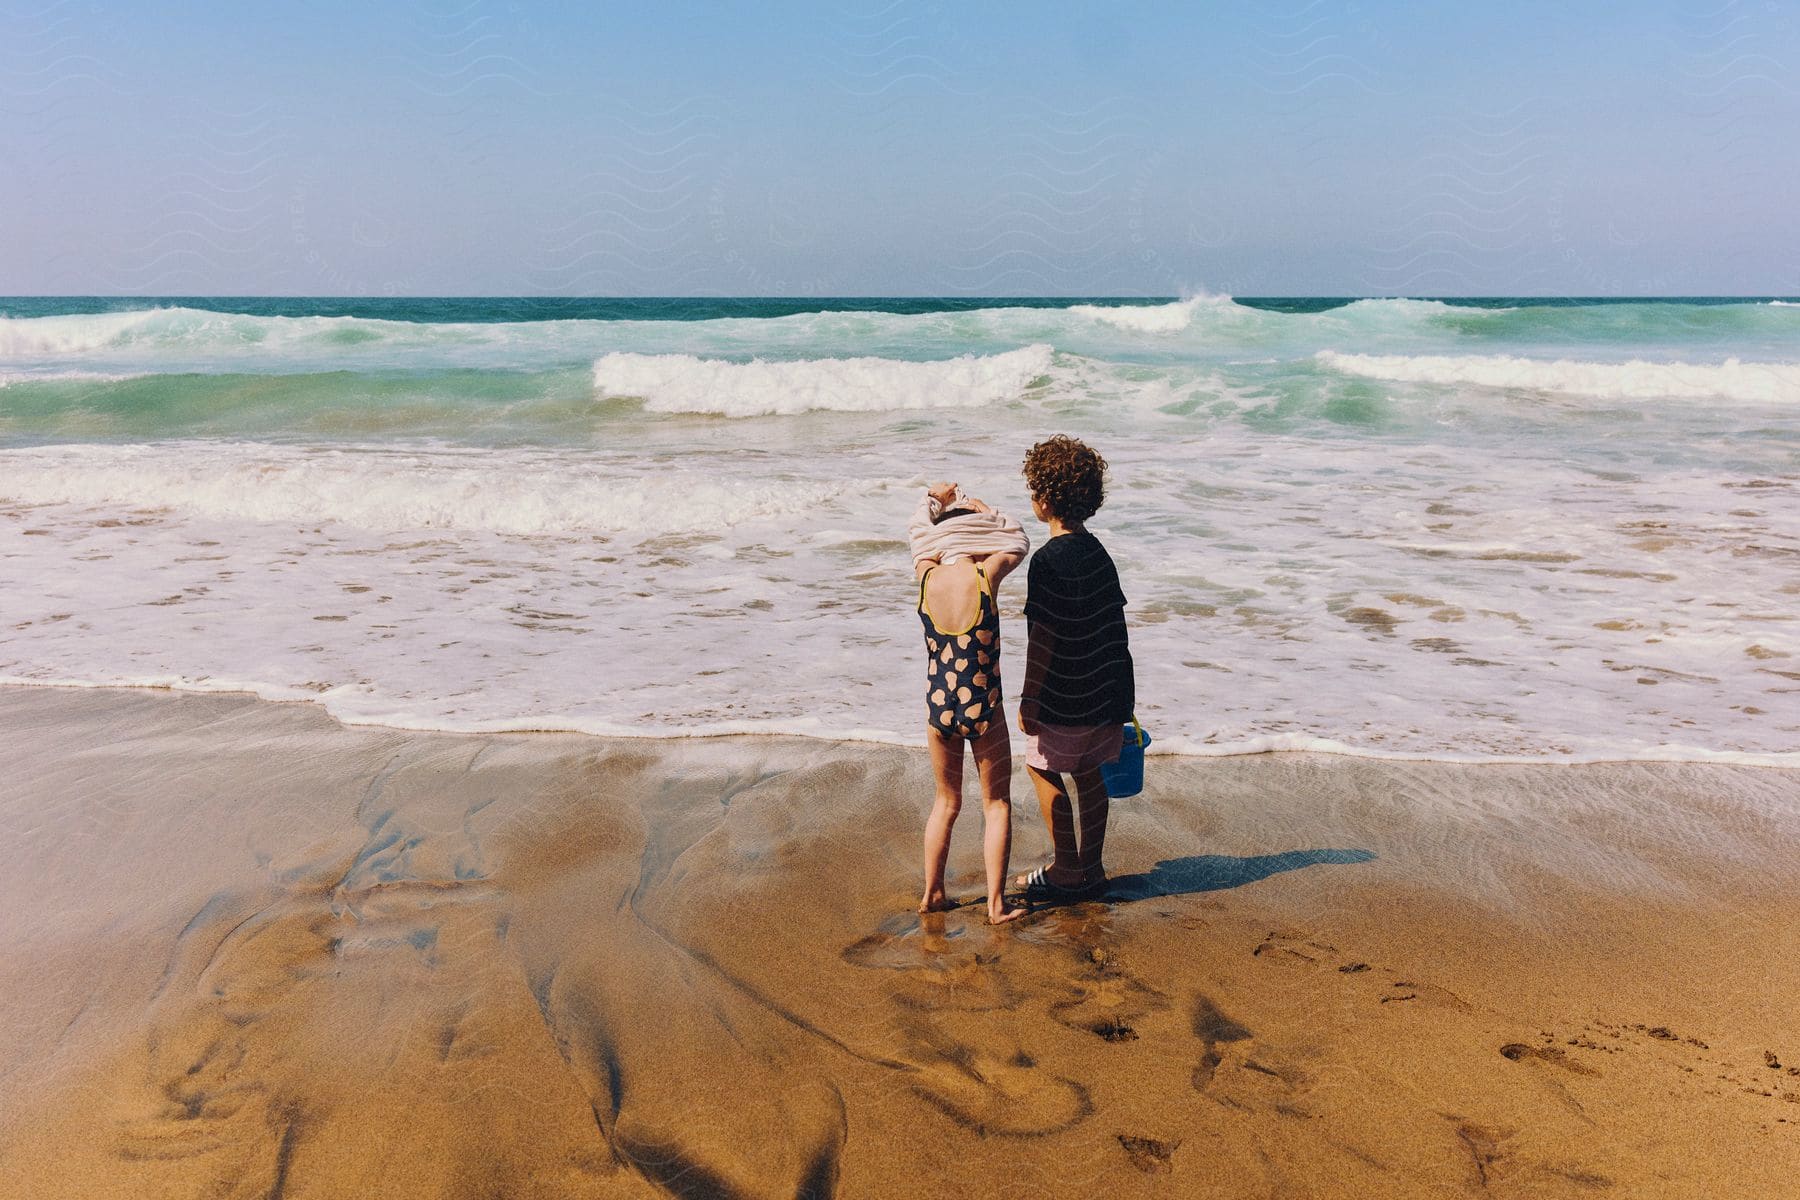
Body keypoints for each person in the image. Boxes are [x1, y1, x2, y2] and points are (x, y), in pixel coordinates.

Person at [1014, 436, 1134, 899]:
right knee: (1088, 774)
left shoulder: (1046, 562)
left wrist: (1030, 696)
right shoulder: (1099, 553)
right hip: (1104, 689)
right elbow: (1114, 626)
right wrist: (1122, 696)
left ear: (1043, 500)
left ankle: (1066, 868)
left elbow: (1043, 637)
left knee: (1041, 768)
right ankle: (1093, 867)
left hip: (1065, 693)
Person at [909, 482, 1029, 924]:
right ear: (979, 538)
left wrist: (933, 501)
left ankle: (933, 891)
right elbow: (1018, 537)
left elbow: (918, 534)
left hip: (937, 705)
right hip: (983, 703)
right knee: (995, 802)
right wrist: (986, 508)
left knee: (946, 801)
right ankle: (996, 904)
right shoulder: (986, 574)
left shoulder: (926, 574)